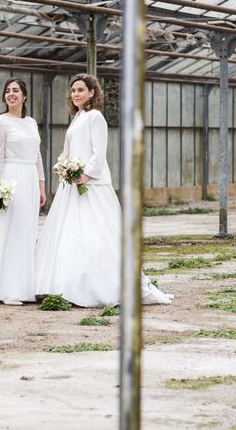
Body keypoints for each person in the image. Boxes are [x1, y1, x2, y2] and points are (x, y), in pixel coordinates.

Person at [35, 74, 173, 307]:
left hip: (92, 184)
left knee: (97, 235)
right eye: (73, 90)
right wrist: (65, 168)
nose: (76, 94)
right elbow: (69, 149)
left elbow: (99, 152)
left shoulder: (95, 117)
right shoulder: (78, 116)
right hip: (72, 184)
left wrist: (86, 174)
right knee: (68, 235)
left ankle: (102, 285)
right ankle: (63, 284)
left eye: (80, 90)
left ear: (92, 93)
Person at [0, 78, 47, 305]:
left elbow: (37, 155)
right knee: (11, 231)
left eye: (16, 90)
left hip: (29, 180)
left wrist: (41, 184)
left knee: (27, 232)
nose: (11, 94)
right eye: (7, 91)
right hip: (11, 179)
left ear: (24, 96)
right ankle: (6, 290)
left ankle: (24, 288)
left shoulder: (31, 122)